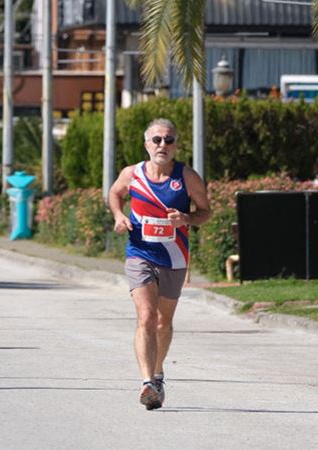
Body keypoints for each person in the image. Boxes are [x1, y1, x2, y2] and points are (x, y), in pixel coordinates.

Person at [108, 118, 211, 410]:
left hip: (175, 257)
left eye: (168, 140)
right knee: (146, 317)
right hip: (140, 253)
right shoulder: (132, 174)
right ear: (146, 144)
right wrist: (118, 216)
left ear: (176, 145)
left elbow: (205, 212)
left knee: (164, 323)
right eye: (156, 140)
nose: (162, 145)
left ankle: (158, 372)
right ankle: (147, 383)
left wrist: (187, 218)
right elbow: (114, 194)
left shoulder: (188, 177)